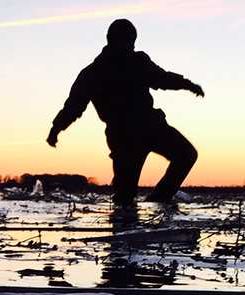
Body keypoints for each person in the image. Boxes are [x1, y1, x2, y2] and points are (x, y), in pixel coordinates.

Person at [46, 19, 204, 204]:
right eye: (126, 40)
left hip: (152, 127)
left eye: (131, 41)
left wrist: (187, 84)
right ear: (110, 39)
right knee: (124, 195)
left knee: (186, 155)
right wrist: (56, 129)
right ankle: (127, 221)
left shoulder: (139, 62)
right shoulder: (93, 73)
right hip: (123, 138)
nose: (129, 45)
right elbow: (73, 106)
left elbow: (162, 78)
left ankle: (158, 200)